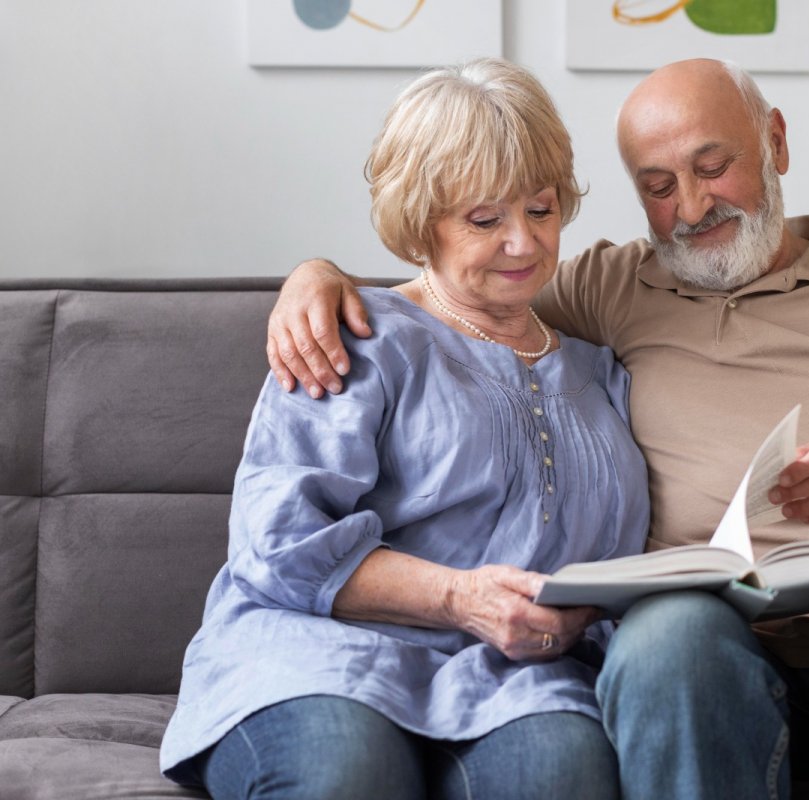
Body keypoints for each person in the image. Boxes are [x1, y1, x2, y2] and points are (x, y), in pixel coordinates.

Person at [268, 59, 809, 799]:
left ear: (775, 141)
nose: (693, 209)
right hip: (706, 636)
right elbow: (457, 282)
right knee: (668, 637)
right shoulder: (611, 286)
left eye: (713, 167)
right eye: (659, 188)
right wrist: (317, 276)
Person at [158, 58, 649, 800]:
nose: (524, 243)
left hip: (511, 681)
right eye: (485, 219)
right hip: (322, 658)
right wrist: (460, 597)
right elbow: (281, 540)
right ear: (423, 223)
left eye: (542, 210)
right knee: (346, 775)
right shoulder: (354, 333)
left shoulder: (601, 369)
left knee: (563, 774)